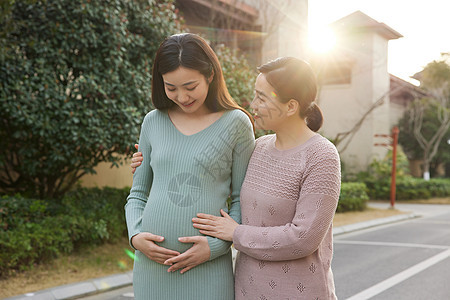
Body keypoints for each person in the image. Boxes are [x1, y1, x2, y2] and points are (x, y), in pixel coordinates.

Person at [132, 57, 341, 299]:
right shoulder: (259, 148)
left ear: (291, 106)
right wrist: (149, 159)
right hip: (246, 291)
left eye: (262, 98)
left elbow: (303, 238)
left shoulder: (322, 156)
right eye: (255, 94)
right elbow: (206, 172)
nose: (252, 104)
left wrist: (235, 233)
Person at [125, 33, 255, 300]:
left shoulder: (236, 124)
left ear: (210, 75)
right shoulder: (152, 122)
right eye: (170, 88)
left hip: (208, 267)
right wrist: (135, 237)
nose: (181, 96)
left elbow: (243, 201)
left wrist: (216, 247)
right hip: (152, 269)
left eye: (190, 86)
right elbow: (137, 194)